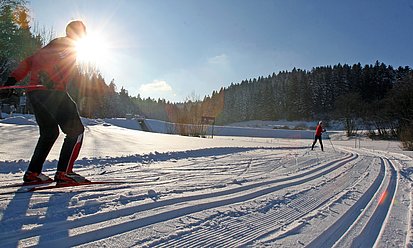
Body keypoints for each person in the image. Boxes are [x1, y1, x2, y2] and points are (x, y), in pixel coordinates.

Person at [1, 20, 89, 184]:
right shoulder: (69, 45)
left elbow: (29, 62)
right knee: (76, 130)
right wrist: (45, 75)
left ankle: (33, 172)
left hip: (36, 94)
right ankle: (65, 173)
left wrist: (11, 80)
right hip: (53, 92)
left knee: (49, 133)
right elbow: (52, 60)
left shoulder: (50, 45)